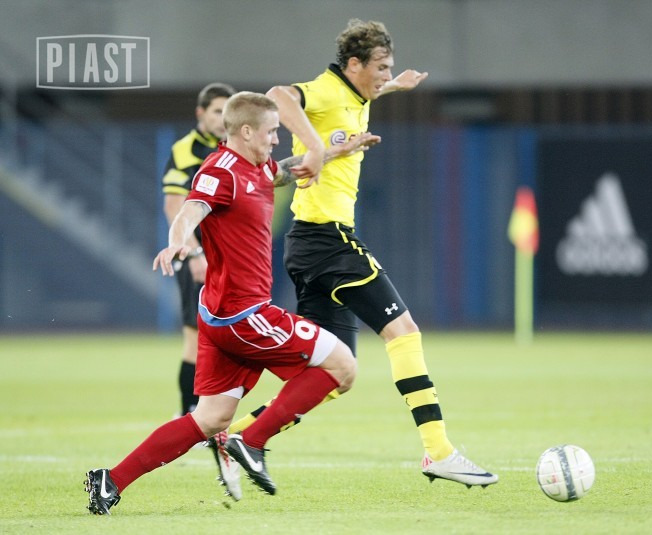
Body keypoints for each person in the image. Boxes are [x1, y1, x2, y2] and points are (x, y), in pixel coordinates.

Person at [225, 19, 499, 489]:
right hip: (329, 240)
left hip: (307, 245)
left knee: (334, 372)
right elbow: (278, 95)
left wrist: (393, 85)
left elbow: (357, 97)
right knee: (404, 333)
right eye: (381, 67)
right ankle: (439, 452)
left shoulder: (356, 95)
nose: (385, 74)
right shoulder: (327, 91)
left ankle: (239, 437)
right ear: (353, 64)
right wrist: (315, 146)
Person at [85, 91, 378, 515]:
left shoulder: (257, 167)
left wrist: (336, 151)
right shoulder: (220, 170)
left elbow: (283, 171)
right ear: (246, 131)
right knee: (343, 367)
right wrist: (179, 242)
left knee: (210, 419)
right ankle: (251, 440)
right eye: (272, 131)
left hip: (221, 316)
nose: (276, 139)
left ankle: (111, 481)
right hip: (244, 314)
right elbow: (191, 209)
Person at [160, 82, 242, 499]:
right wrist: (192, 251)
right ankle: (190, 415)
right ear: (200, 114)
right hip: (198, 257)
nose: (221, 119)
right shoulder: (185, 150)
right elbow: (175, 205)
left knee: (224, 339)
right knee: (195, 338)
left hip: (229, 257)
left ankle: (207, 418)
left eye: (227, 112)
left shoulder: (235, 149)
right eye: (215, 112)